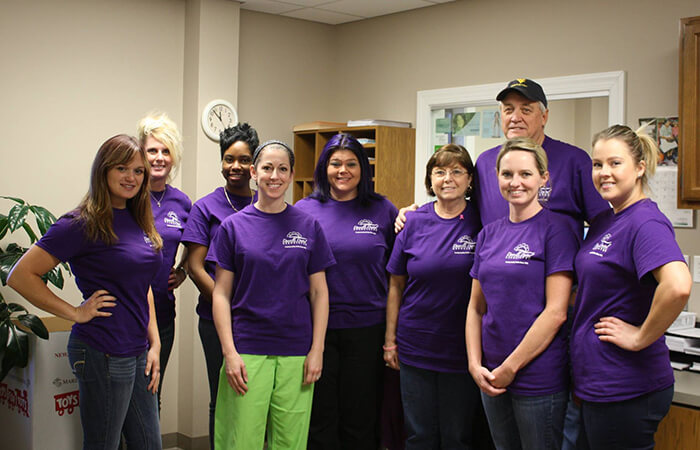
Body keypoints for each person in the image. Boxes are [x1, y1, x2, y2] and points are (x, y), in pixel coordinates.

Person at [8, 135, 163, 449]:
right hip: (102, 349)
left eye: (138, 171)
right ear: (103, 170)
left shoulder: (138, 219)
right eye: (122, 168)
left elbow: (141, 284)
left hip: (137, 350)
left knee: (149, 444)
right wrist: (75, 312)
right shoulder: (81, 223)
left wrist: (155, 342)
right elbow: (20, 275)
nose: (131, 178)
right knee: (103, 443)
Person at [571, 125, 691, 449]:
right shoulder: (605, 220)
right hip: (598, 382)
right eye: (597, 165)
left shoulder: (645, 222)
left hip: (627, 385)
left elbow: (678, 286)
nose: (604, 173)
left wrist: (639, 337)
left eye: (615, 163)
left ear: (639, 168)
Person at [210, 140, 335, 449]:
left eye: (282, 169)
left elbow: (319, 293)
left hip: (297, 349)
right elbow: (221, 294)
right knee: (242, 438)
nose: (274, 176)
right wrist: (229, 352)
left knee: (291, 439)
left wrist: (317, 349)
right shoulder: (233, 227)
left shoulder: (308, 226)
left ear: (292, 175)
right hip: (248, 348)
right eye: (267, 168)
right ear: (254, 172)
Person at [466, 137, 578, 450]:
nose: (516, 182)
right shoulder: (489, 233)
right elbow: (476, 308)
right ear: (496, 177)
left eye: (526, 174)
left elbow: (556, 311)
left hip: (537, 376)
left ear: (544, 178)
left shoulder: (557, 229)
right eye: (507, 174)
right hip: (490, 373)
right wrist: (475, 364)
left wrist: (510, 367)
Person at [295, 133, 398, 450]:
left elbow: (399, 273)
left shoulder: (383, 210)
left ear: (363, 169)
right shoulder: (304, 210)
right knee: (320, 418)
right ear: (324, 167)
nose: (343, 170)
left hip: (367, 329)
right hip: (316, 330)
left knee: (360, 417)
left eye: (351, 163)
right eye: (335, 163)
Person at [384, 144, 481, 449]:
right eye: (439, 172)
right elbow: (396, 285)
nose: (447, 178)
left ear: (470, 180)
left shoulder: (483, 223)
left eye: (456, 171)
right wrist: (390, 340)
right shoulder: (412, 222)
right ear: (430, 179)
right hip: (416, 345)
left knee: (457, 437)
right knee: (419, 435)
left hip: (462, 348)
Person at [181, 122, 259, 448]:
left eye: (243, 160)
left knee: (254, 397)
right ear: (221, 161)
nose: (236, 167)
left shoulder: (264, 204)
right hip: (215, 320)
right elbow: (194, 266)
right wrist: (225, 304)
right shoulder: (206, 208)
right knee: (223, 397)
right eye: (229, 159)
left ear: (254, 163)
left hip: (259, 320)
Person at [137, 112, 191, 412]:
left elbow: (197, 246)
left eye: (165, 151)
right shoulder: (128, 194)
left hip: (163, 311)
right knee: (120, 400)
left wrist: (182, 270)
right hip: (127, 313)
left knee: (152, 393)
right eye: (152, 150)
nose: (159, 158)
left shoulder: (182, 202)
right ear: (141, 153)